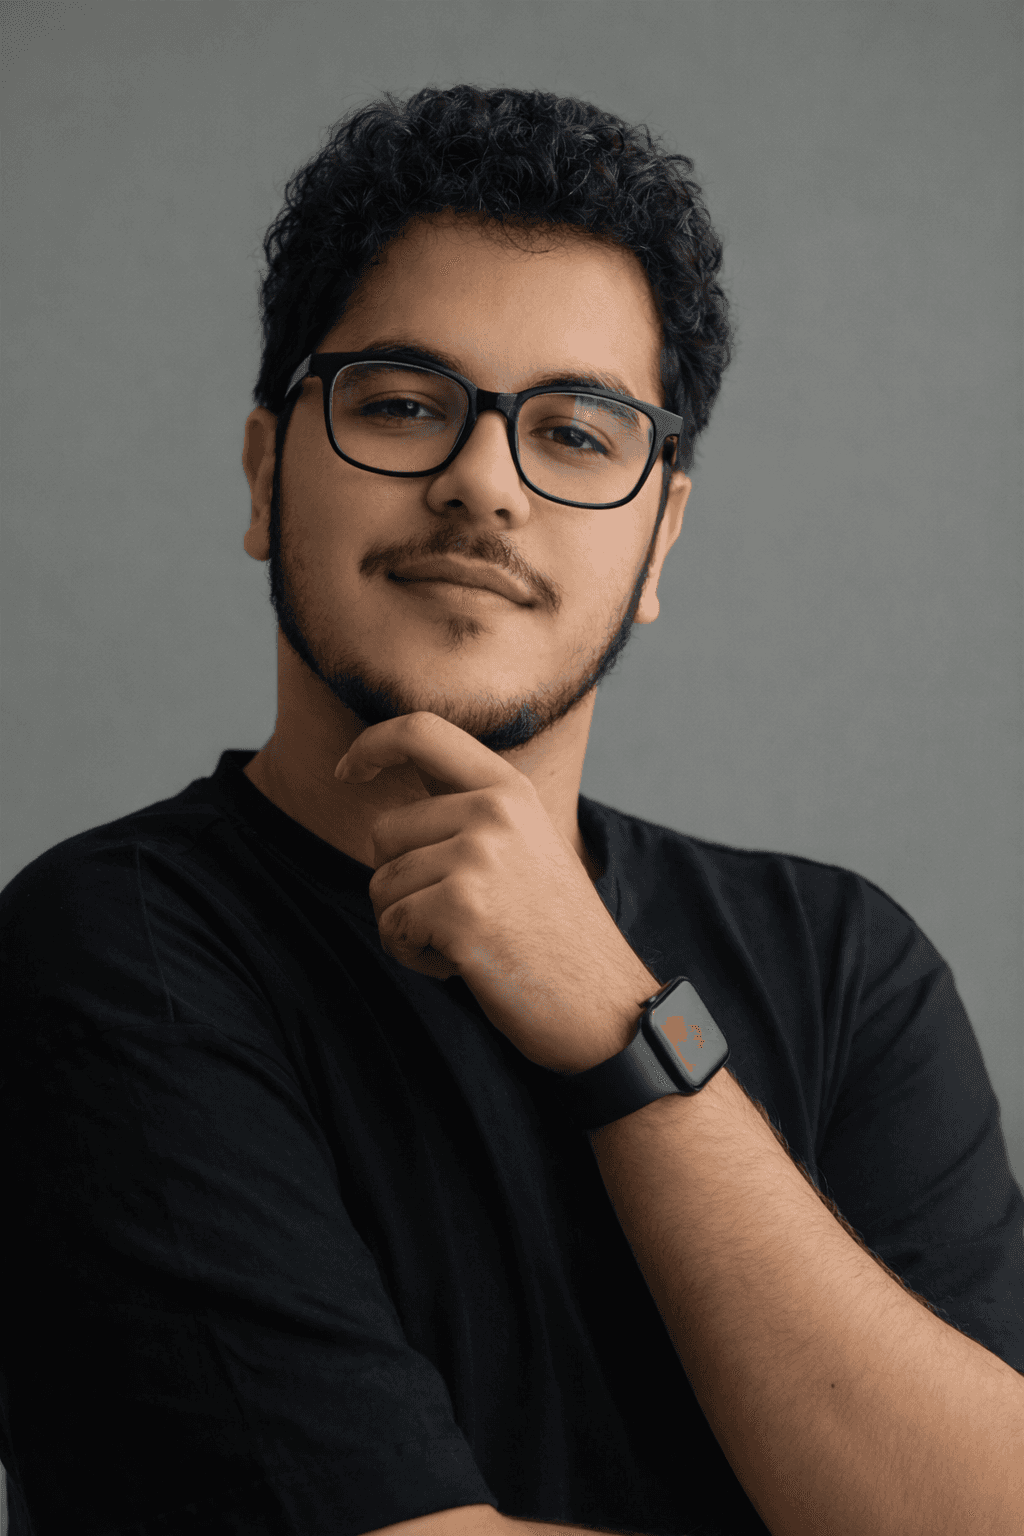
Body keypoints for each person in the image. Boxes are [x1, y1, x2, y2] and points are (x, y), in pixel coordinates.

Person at [1, 83, 1021, 1536]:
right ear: (266, 473)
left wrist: (621, 1022)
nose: (483, 484)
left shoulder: (848, 967)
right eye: (402, 405)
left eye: (579, 433)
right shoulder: (110, 957)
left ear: (659, 540)